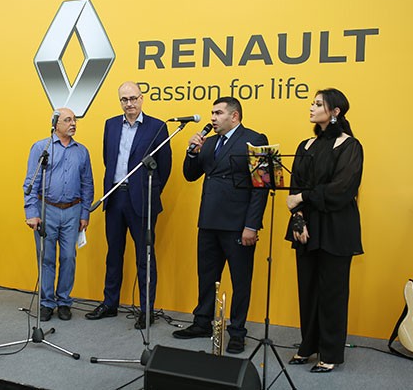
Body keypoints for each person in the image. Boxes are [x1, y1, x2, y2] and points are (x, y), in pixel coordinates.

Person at [172, 97, 268, 354]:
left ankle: (237, 331)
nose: (212, 118)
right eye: (212, 113)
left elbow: (261, 187)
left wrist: (251, 225)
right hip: (209, 221)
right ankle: (202, 322)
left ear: (234, 116)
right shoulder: (210, 142)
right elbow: (190, 175)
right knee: (206, 276)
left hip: (237, 224)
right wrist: (192, 152)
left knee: (240, 280)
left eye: (218, 113)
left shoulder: (255, 139)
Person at [285, 88, 363, 373]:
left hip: (336, 228)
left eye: (318, 104)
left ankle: (329, 353)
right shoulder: (305, 145)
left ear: (335, 112)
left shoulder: (350, 145)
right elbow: (294, 187)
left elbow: (342, 189)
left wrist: (303, 198)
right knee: (307, 290)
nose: (312, 107)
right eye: (312, 103)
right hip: (306, 226)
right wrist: (298, 220)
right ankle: (308, 346)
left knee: (332, 293)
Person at [85, 81, 172, 330]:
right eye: (124, 99)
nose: (129, 103)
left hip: (142, 199)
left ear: (142, 98)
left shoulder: (157, 127)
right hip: (115, 197)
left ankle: (147, 310)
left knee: (145, 257)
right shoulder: (111, 125)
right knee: (113, 254)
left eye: (133, 98)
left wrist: (150, 192)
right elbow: (108, 159)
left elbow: (164, 166)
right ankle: (110, 303)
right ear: (120, 101)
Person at [23, 108, 94, 321]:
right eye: (68, 120)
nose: (73, 124)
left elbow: (87, 184)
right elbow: (31, 181)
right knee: (46, 258)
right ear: (55, 124)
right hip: (47, 209)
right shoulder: (41, 148)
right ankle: (46, 303)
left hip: (72, 211)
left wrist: (85, 213)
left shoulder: (82, 151)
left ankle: (64, 302)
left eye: (74, 120)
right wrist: (32, 212)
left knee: (68, 257)